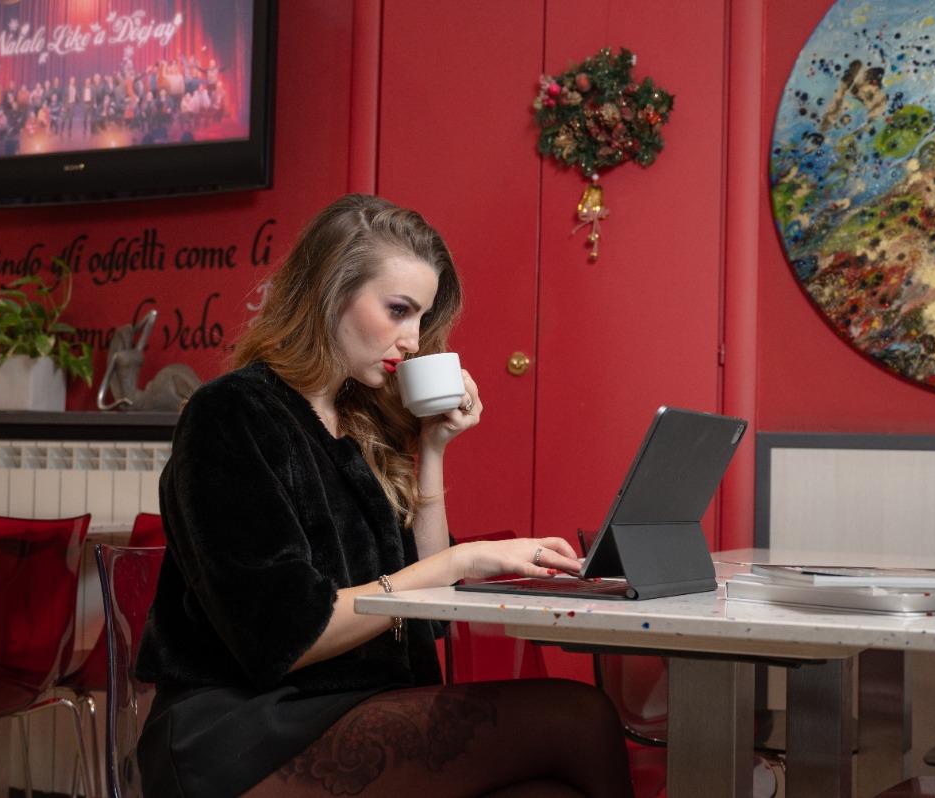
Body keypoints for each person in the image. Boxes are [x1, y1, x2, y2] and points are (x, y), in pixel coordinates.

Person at [135, 194, 634, 798]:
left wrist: (431, 448)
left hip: (358, 702)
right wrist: (463, 559)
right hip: (246, 729)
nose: (413, 340)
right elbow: (286, 636)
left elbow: (426, 611)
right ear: (330, 292)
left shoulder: (359, 420)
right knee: (582, 719)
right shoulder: (231, 413)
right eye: (398, 310)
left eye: (421, 318)